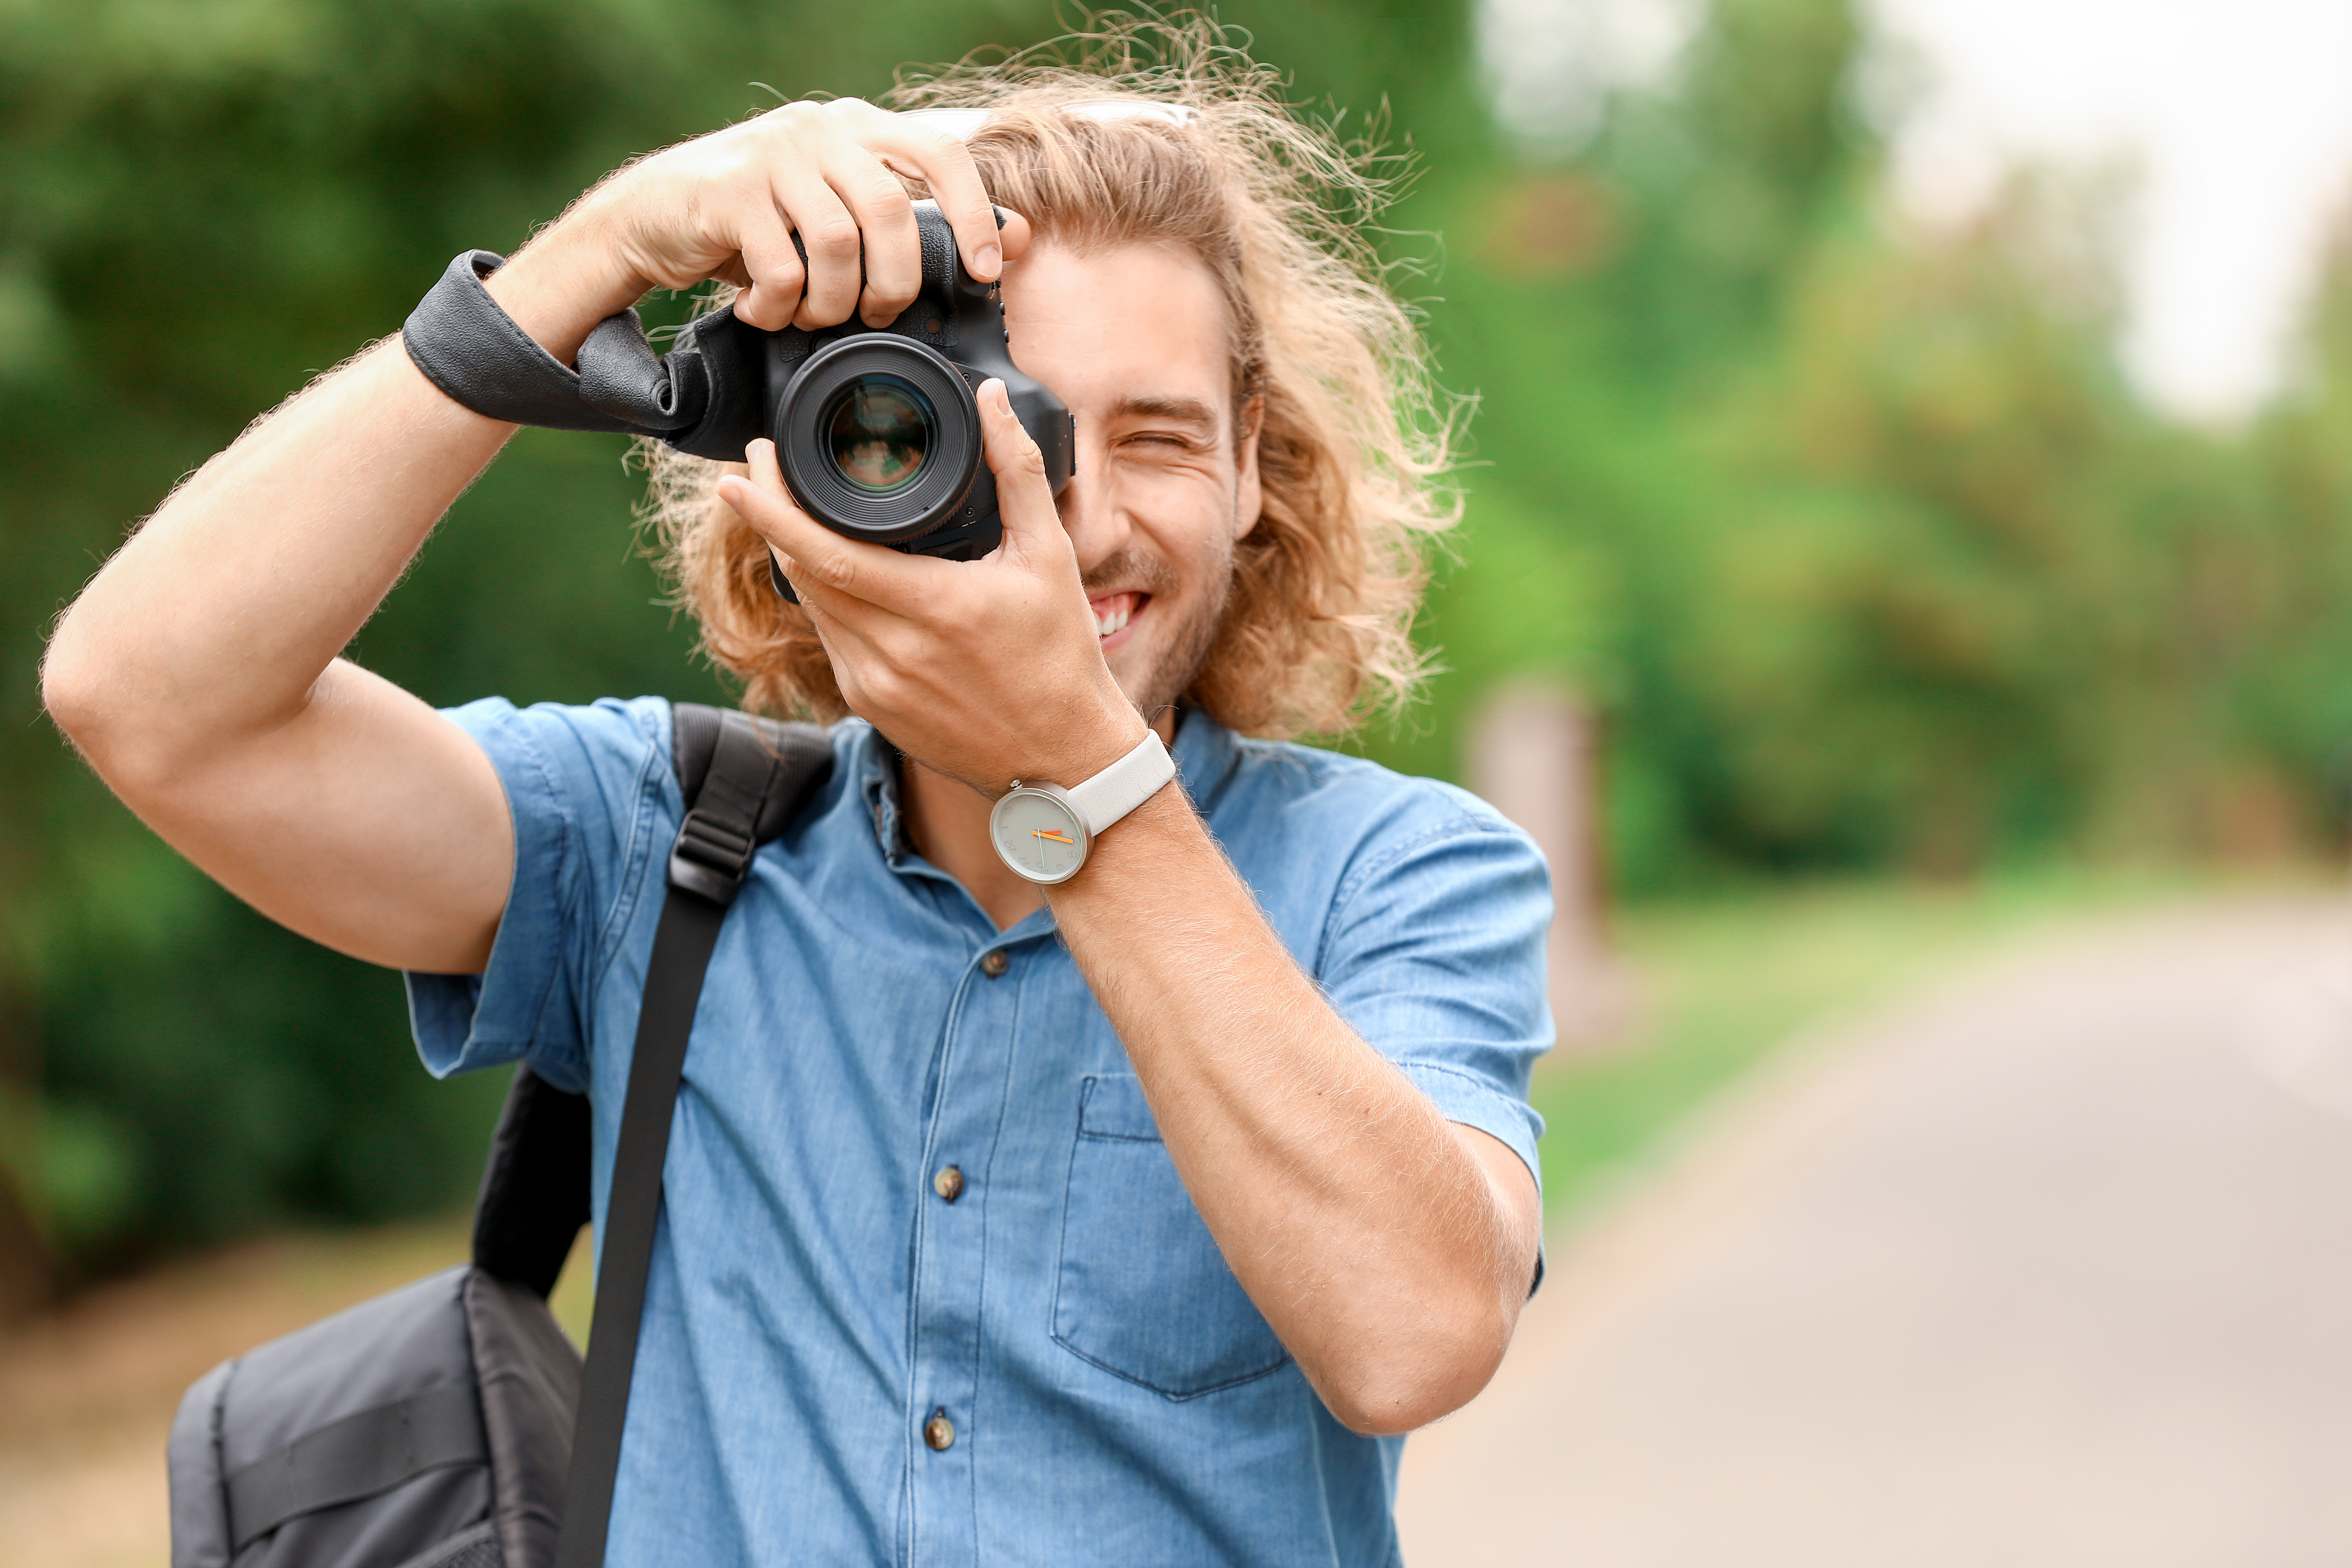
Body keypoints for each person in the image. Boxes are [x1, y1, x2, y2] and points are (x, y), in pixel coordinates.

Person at [42, 33, 1552, 1568]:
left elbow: (1417, 1336)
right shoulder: (655, 846)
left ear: (1253, 474)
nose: (1066, 512)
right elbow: (148, 701)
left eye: (1155, 438)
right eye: (983, 426)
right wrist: (599, 253)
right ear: (823, 455)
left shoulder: (1401, 873)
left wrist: (1084, 784)